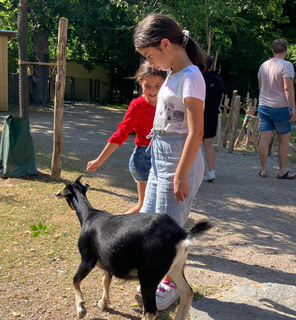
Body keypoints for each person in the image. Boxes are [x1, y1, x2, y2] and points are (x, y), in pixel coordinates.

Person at [134, 14, 205, 310]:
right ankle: (158, 276)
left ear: (165, 44)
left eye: (151, 55)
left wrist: (181, 174)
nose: (152, 62)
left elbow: (196, 131)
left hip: (179, 159)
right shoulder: (173, 74)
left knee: (169, 230)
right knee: (150, 222)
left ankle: (172, 287)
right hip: (161, 155)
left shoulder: (191, 77)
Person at [86, 61, 167, 214]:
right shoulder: (137, 105)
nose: (152, 91)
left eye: (158, 86)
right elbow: (121, 133)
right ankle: (114, 231)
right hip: (144, 159)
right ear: (140, 81)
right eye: (148, 85)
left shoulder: (169, 103)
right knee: (144, 207)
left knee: (157, 208)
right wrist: (100, 160)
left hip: (163, 158)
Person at [257, 39, 296, 179]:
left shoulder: (264, 65)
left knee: (265, 138)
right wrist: (293, 108)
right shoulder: (287, 66)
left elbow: (261, 87)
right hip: (280, 107)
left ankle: (263, 169)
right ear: (286, 50)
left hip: (263, 105)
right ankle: (282, 170)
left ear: (273, 51)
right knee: (284, 140)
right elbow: (288, 88)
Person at [202, 55, 223, 182]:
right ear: (213, 65)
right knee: (208, 145)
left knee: (193, 144)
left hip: (198, 114)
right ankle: (211, 171)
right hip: (212, 114)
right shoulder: (218, 80)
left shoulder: (197, 78)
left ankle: (193, 171)